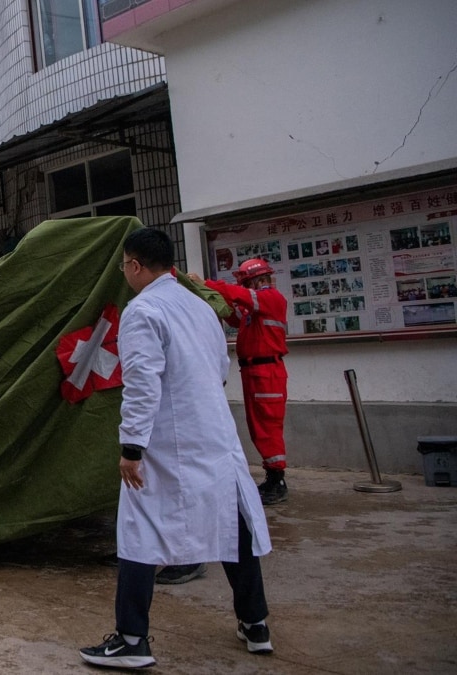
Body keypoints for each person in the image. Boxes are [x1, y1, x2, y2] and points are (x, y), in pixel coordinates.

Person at [80, 228, 273, 669]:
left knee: (138, 531)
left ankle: (131, 640)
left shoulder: (143, 309)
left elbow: (143, 383)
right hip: (214, 432)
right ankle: (255, 624)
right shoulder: (199, 306)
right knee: (231, 524)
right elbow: (218, 367)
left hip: (167, 440)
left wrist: (131, 446)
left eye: (123, 266)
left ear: (134, 265)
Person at [189, 258, 290, 506]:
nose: (246, 287)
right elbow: (233, 312)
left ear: (257, 280)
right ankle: (272, 476)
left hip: (267, 372)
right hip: (256, 372)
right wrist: (203, 292)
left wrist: (207, 284)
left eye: (247, 283)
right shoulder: (253, 310)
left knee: (268, 426)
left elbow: (238, 295)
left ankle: (278, 479)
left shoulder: (271, 299)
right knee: (259, 426)